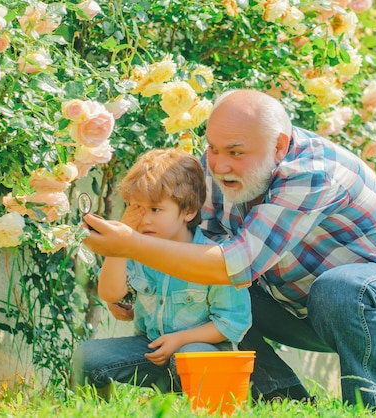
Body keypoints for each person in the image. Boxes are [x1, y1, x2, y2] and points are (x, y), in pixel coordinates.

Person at [82, 89, 376, 409]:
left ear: (279, 146)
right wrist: (136, 283)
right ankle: (282, 397)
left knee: (338, 288)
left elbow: (234, 264)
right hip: (304, 307)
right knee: (215, 286)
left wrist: (132, 244)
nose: (219, 164)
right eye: (212, 148)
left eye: (236, 152)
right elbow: (194, 250)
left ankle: (371, 403)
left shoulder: (313, 172)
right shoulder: (220, 170)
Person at [73, 148, 252, 398]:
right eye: (136, 208)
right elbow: (110, 293)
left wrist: (179, 340)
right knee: (87, 356)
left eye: (155, 210)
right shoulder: (138, 249)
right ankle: (92, 412)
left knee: (193, 355)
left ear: (188, 211)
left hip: (201, 353)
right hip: (152, 350)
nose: (144, 219)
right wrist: (120, 244)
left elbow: (233, 324)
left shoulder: (211, 258)